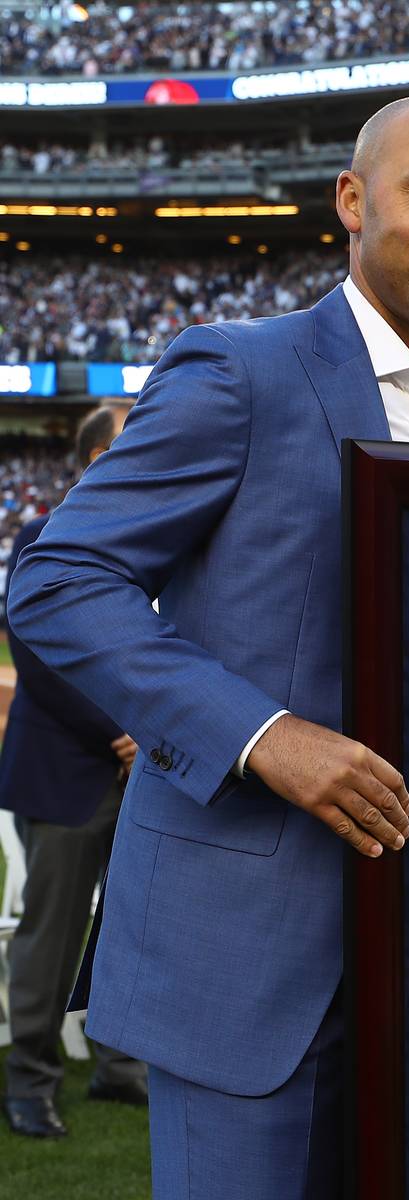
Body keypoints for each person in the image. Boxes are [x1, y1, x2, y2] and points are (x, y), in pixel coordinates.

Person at [7, 94, 409, 1197]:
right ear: (352, 201)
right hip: (245, 962)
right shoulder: (240, 370)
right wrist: (263, 734)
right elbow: (58, 580)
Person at [1, 403, 146, 1139]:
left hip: (142, 776)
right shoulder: (43, 535)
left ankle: (120, 1068)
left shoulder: (157, 535)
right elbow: (39, 656)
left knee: (133, 928)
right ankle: (29, 1081)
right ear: (95, 459)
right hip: (68, 773)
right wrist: (121, 731)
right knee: (52, 936)